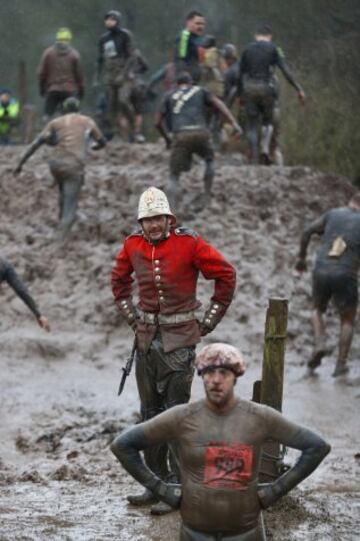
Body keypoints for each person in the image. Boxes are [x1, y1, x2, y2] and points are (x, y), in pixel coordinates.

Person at [111, 342, 330, 540]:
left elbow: (317, 447)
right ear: (200, 375)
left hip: (246, 534)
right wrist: (162, 489)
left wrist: (274, 491)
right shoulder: (181, 417)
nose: (216, 380)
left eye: (224, 372)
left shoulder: (260, 418)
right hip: (194, 534)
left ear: (236, 376)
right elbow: (123, 445)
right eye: (209, 372)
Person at [111, 187, 236, 514]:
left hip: (180, 341)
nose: (153, 225)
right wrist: (131, 316)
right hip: (144, 342)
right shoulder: (131, 245)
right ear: (141, 222)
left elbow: (226, 276)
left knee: (177, 416)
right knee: (149, 414)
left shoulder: (189, 243)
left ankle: (180, 488)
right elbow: (118, 282)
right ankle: (155, 484)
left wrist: (207, 322)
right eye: (147, 219)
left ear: (169, 218)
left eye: (158, 218)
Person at [14, 97, 106, 240]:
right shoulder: (87, 121)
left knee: (63, 193)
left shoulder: (56, 122)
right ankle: (60, 239)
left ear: (63, 110)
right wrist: (94, 146)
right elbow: (102, 142)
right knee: (71, 203)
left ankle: (60, 225)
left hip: (55, 164)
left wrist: (20, 164)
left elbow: (37, 143)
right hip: (74, 165)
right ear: (78, 109)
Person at [295, 192, 360, 377]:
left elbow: (307, 231)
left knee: (317, 310)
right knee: (347, 320)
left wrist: (301, 258)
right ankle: (340, 366)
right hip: (347, 273)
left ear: (350, 202)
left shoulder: (333, 213)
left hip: (321, 269)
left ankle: (319, 344)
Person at [155, 72, 242, 208]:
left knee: (174, 175)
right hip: (201, 132)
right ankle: (207, 194)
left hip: (181, 135)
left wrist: (167, 139)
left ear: (177, 84)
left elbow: (157, 122)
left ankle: (171, 210)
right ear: (191, 83)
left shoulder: (169, 95)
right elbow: (218, 104)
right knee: (210, 160)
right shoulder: (201, 91)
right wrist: (233, 123)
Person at [238, 24, 305, 164]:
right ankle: (265, 147)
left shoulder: (247, 49)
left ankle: (253, 157)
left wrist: (241, 94)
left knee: (251, 124)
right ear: (270, 36)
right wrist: (298, 89)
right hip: (267, 88)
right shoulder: (274, 48)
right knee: (268, 122)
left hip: (249, 88)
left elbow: (240, 74)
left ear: (256, 36)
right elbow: (285, 70)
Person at [95, 10, 142, 141]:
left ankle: (135, 130)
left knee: (123, 100)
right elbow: (100, 59)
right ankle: (117, 133)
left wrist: (125, 73)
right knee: (111, 106)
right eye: (107, 19)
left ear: (118, 21)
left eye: (112, 19)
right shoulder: (103, 39)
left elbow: (132, 56)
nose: (109, 22)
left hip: (124, 74)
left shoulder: (125, 35)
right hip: (110, 74)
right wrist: (97, 77)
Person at [38, 28, 84, 120]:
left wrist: (42, 88)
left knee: (48, 116)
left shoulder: (48, 53)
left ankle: (48, 131)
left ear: (57, 39)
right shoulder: (74, 54)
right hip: (70, 90)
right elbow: (79, 75)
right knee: (73, 117)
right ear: (69, 40)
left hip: (53, 90)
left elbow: (41, 73)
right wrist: (81, 90)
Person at [1, 257, 50, 332]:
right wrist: (39, 314)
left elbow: (21, 289)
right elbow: (21, 290)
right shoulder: (5, 264)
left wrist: (39, 314)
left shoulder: (5, 265)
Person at [174, 10, 205, 83]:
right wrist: (185, 79)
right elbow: (180, 59)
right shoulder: (184, 36)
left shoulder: (198, 38)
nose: (201, 26)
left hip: (195, 80)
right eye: (197, 23)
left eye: (203, 24)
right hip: (188, 82)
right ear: (188, 23)